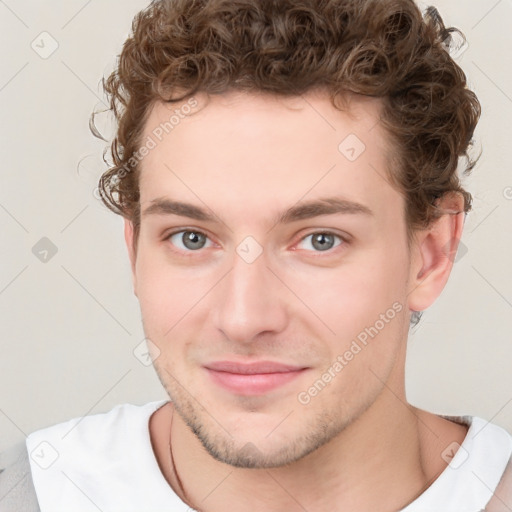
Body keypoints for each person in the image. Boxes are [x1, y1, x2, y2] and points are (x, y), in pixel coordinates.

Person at [1, 0, 511, 510]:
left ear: (431, 255)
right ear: (135, 251)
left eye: (320, 240)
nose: (243, 319)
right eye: (191, 238)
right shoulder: (31, 493)